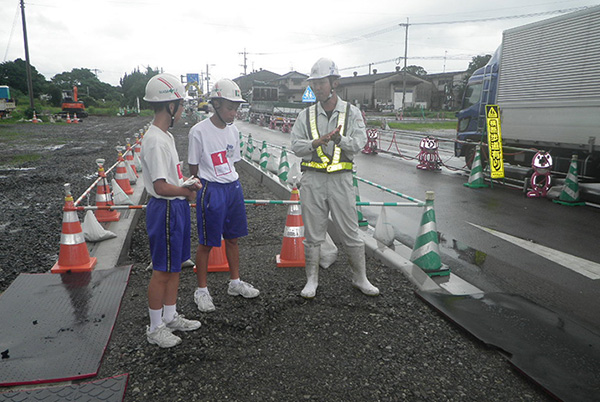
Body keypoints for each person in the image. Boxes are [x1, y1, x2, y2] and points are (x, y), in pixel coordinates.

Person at [290, 57, 379, 299]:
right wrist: (315, 143)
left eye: (321, 82)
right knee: (313, 233)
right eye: (314, 83)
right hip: (313, 179)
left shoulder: (352, 113)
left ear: (334, 83)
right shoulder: (305, 115)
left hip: (341, 179)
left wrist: (340, 140)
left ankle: (360, 277)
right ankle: (311, 280)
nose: (317, 87)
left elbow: (359, 143)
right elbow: (295, 145)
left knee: (350, 231)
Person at [141, 73, 202, 348]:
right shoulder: (155, 140)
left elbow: (170, 180)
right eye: (179, 103)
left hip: (174, 208)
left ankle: (170, 315)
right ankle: (155, 328)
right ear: (170, 106)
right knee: (162, 271)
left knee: (175, 266)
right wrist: (186, 190)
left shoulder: (164, 136)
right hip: (164, 209)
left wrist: (185, 184)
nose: (181, 108)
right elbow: (161, 186)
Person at [188, 78, 259, 312]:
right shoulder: (198, 131)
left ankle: (235, 282)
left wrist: (231, 184)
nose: (234, 113)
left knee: (233, 238)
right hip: (210, 189)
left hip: (233, 188)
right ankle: (201, 290)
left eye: (236, 108)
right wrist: (194, 195)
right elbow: (193, 167)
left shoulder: (234, 131)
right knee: (207, 243)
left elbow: (232, 161)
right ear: (216, 104)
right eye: (230, 107)